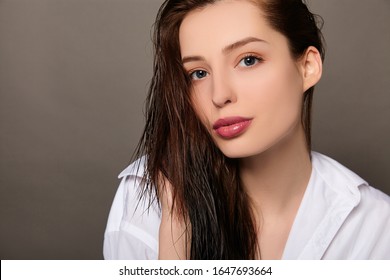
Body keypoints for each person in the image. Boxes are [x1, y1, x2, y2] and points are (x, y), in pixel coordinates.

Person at [103, 0, 390, 260]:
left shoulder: (375, 226)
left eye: (248, 59)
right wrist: (177, 237)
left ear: (307, 67)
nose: (219, 95)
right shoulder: (148, 200)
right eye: (198, 73)